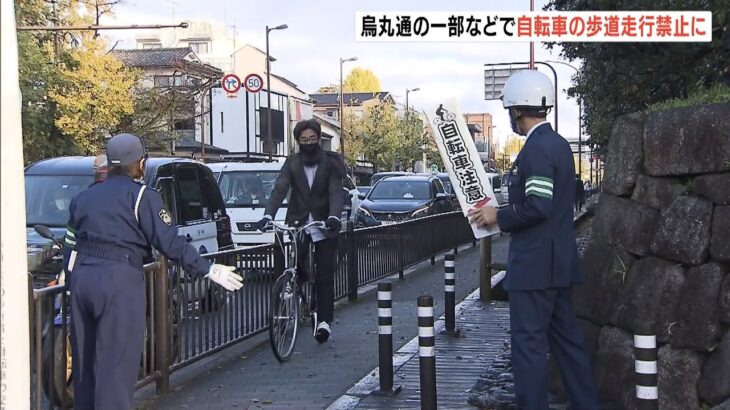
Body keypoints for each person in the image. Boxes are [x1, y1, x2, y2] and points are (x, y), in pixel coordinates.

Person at [63, 133, 243, 410]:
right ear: (140, 163)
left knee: (86, 367)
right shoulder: (143, 197)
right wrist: (207, 268)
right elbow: (169, 242)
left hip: (82, 281)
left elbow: (70, 245)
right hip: (119, 280)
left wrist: (70, 279)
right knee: (116, 366)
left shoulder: (83, 198)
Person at [467, 70, 600, 410]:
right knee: (567, 343)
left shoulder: (536, 149)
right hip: (559, 265)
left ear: (516, 110)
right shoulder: (557, 145)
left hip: (535, 267)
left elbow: (538, 205)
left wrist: (500, 215)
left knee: (527, 347)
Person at [255, 119, 345, 343]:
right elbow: (280, 188)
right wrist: (268, 214)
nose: (309, 143)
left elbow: (336, 192)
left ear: (318, 139)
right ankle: (298, 290)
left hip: (325, 224)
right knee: (293, 266)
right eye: (304, 140)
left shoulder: (330, 163)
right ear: (298, 142)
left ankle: (324, 321)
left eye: (312, 139)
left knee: (325, 274)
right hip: (299, 222)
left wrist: (334, 216)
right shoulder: (292, 163)